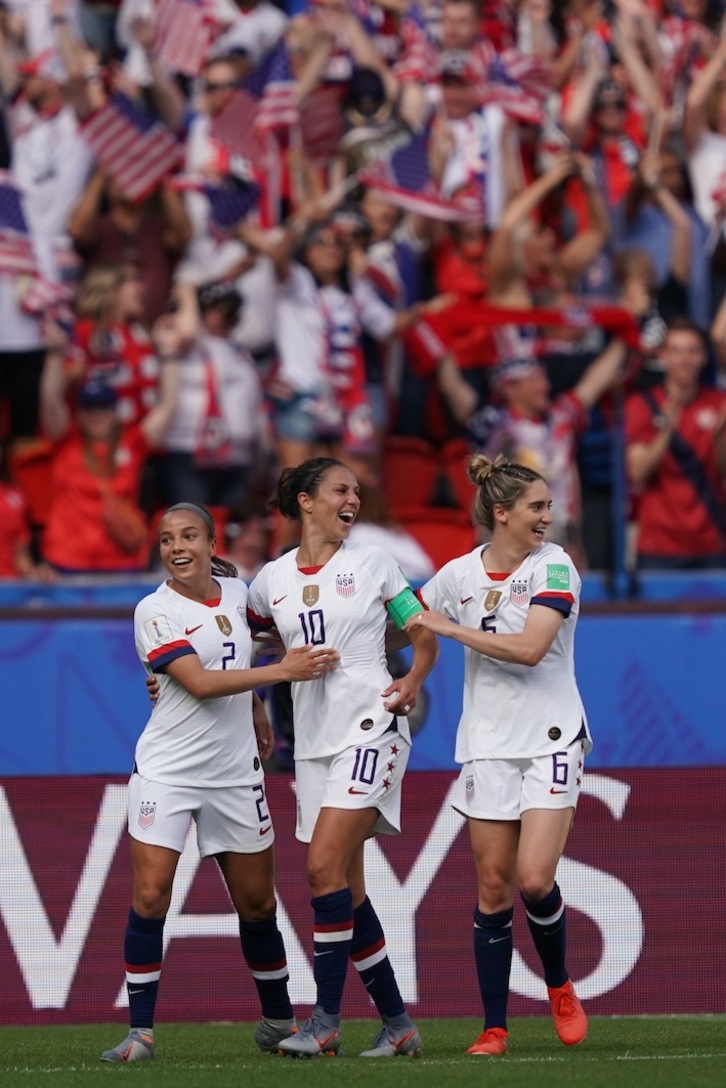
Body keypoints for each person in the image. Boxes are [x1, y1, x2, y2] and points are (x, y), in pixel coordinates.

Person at [101, 501, 339, 1063]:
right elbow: (201, 682)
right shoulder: (153, 611)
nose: (176, 548)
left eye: (188, 536)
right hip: (168, 770)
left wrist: (257, 704)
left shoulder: (240, 595)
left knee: (258, 905)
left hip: (235, 773)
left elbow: (240, 655)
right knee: (152, 895)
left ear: (212, 544)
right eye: (165, 540)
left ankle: (278, 1020)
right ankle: (141, 1033)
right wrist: (282, 672)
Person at [246, 457, 439, 1058]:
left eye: (356, 491)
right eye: (339, 490)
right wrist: (252, 694)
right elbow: (238, 641)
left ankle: (325, 1021)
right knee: (346, 891)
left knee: (322, 869)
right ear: (306, 501)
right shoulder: (271, 580)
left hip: (372, 725)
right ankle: (398, 1024)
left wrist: (413, 681)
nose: (352, 499)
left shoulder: (374, 564)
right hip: (314, 742)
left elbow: (422, 630)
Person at [404, 453, 590, 1057]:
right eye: (536, 507)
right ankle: (494, 1027)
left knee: (534, 879)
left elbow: (533, 647)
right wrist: (409, 670)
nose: (547, 516)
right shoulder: (459, 573)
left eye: (548, 506)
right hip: (487, 744)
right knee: (491, 888)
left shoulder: (555, 567)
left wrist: (450, 629)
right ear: (502, 513)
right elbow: (408, 614)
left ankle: (559, 985)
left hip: (551, 737)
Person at [625, 318, 726, 569]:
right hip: (659, 545)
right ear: (664, 356)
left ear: (704, 357)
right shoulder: (641, 405)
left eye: (693, 351)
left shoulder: (719, 404)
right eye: (677, 351)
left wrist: (719, 435)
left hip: (712, 541)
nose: (685, 359)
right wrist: (666, 431)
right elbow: (638, 472)